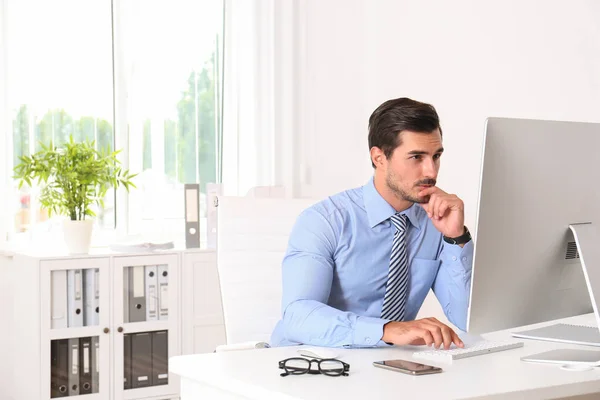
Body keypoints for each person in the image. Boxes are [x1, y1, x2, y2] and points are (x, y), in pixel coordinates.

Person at [270, 97, 474, 350]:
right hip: (306, 361)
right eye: (416, 157)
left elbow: (468, 319)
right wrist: (387, 330)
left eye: (436, 156)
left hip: (383, 368)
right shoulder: (325, 220)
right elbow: (298, 316)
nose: (431, 171)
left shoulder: (438, 221)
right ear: (379, 158)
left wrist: (456, 238)